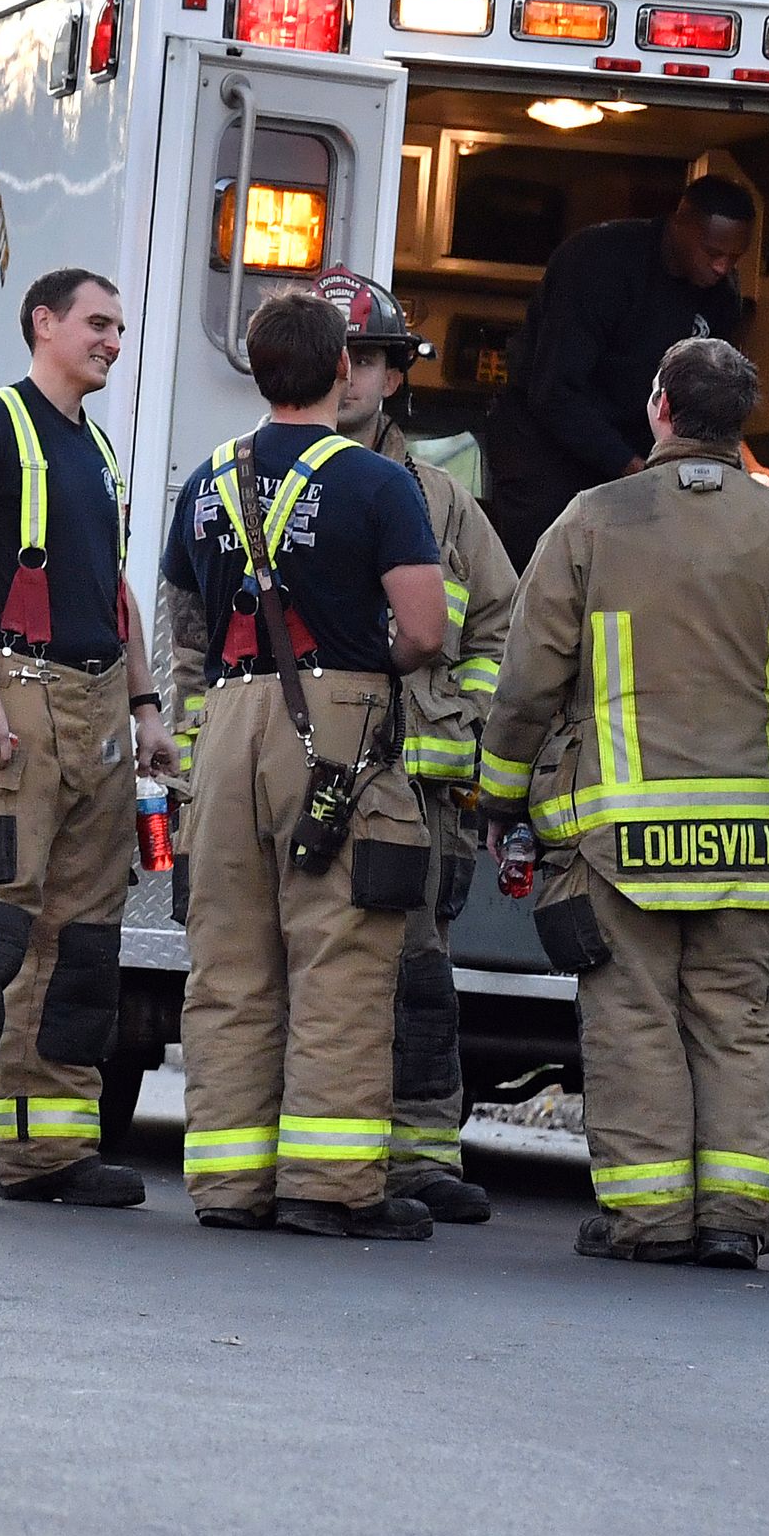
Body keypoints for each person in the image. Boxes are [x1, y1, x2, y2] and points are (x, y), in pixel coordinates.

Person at [476, 337, 769, 1269]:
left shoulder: (589, 522)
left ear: (659, 406)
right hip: (746, 839)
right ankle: (736, 1218)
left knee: (634, 1019)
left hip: (621, 841)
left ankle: (649, 1219)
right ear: (743, 421)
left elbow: (529, 682)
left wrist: (501, 796)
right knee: (737, 1022)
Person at [159, 286, 452, 1239]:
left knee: (230, 961)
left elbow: (184, 623)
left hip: (228, 721)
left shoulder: (206, 479)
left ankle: (228, 1185)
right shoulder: (378, 483)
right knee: (340, 954)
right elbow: (424, 629)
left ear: (256, 368)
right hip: (336, 723)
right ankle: (325, 1187)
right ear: (340, 371)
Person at [0, 267, 174, 1207]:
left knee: (79, 943)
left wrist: (143, 707)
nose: (113, 341)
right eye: (97, 323)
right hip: (11, 695)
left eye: (121, 329)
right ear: (42, 323)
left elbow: (114, 596)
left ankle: (47, 1150)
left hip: (94, 711)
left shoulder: (94, 448)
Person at [321, 270, 515, 1223]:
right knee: (309, 972)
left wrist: (463, 728)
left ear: (394, 376)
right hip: (302, 779)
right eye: (334, 355)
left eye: (366, 359)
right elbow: (193, 630)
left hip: (419, 787)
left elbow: (502, 630)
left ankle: (421, 1154)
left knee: (420, 982)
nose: (349, 375)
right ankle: (315, 1152)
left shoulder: (442, 504)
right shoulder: (250, 477)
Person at [479, 177, 758, 566]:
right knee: (546, 568)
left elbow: (711, 397)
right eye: (712, 252)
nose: (721, 266)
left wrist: (744, 461)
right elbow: (553, 390)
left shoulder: (720, 295)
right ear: (680, 223)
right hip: (545, 446)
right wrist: (633, 467)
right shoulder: (598, 263)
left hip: (643, 448)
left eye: (733, 258)